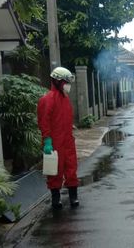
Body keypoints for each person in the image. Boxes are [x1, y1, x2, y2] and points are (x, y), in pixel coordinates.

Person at [37, 66, 79, 210]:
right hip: (54, 142)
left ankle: (74, 196)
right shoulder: (46, 100)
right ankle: (56, 198)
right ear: (56, 81)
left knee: (71, 167)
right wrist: (47, 140)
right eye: (65, 82)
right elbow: (44, 122)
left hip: (67, 140)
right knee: (55, 170)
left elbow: (65, 118)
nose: (67, 85)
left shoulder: (65, 99)